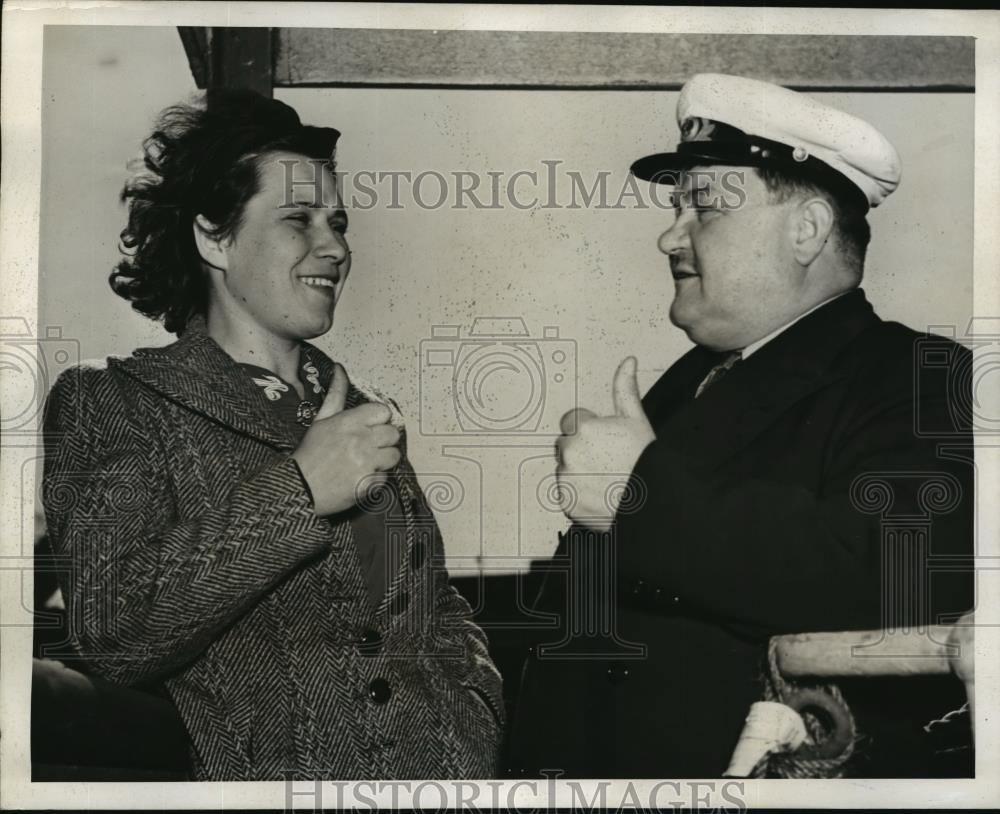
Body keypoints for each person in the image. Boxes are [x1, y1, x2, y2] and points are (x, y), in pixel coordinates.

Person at [508, 74, 974, 778]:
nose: (671, 233)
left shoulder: (924, 375)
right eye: (676, 208)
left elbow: (896, 577)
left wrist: (640, 495)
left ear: (807, 230)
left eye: (704, 207)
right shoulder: (689, 382)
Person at [42, 89, 503, 780]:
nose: (336, 246)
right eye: (299, 219)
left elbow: (433, 607)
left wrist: (473, 723)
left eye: (338, 221)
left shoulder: (360, 412)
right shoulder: (114, 401)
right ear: (214, 237)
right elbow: (114, 629)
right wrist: (299, 490)